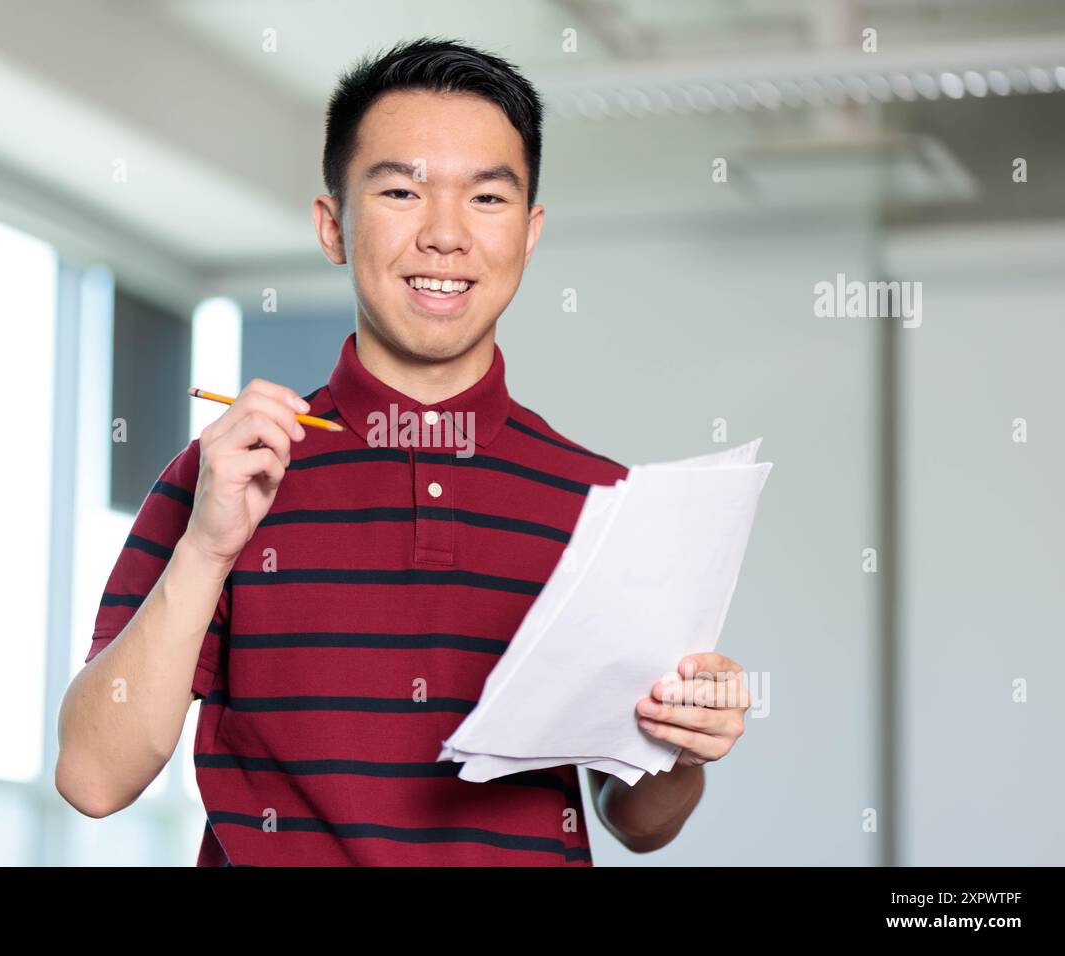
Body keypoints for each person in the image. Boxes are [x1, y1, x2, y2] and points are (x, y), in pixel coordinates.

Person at [56, 36, 748, 866]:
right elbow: (94, 779)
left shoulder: (604, 502)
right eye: (400, 191)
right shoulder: (226, 475)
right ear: (332, 225)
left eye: (487, 199)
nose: (445, 236)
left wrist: (683, 747)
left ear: (529, 234)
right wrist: (207, 549)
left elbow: (635, 819)